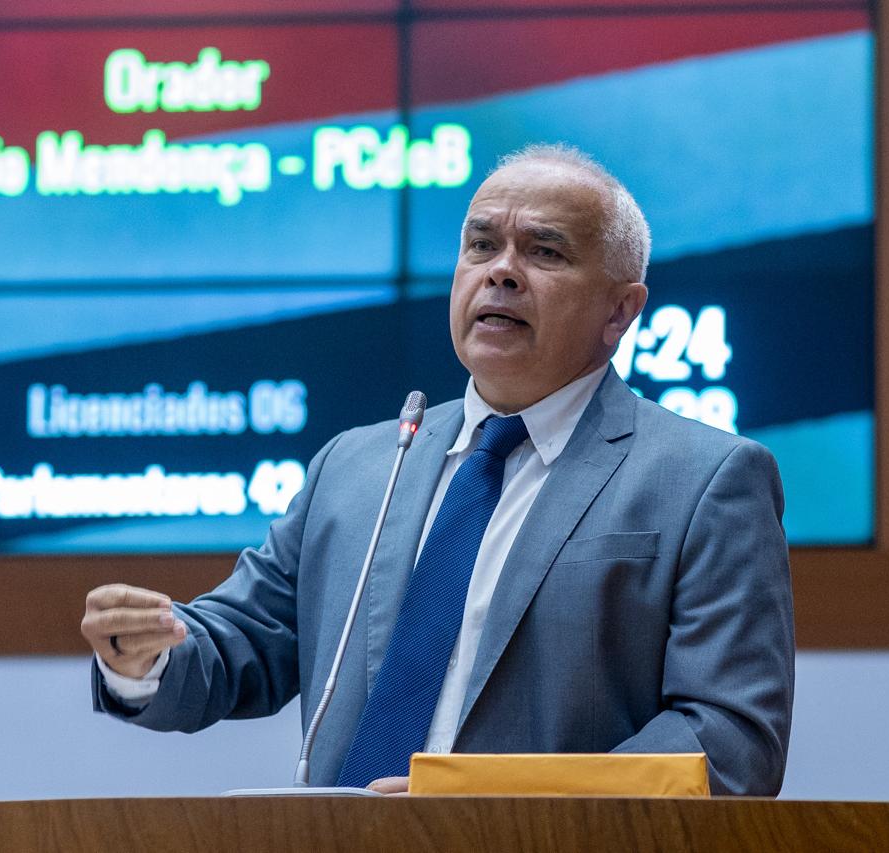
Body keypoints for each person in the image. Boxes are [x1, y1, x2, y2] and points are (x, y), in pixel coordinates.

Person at [81, 144, 795, 796]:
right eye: (481, 245)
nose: (502, 271)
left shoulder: (706, 480)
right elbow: (237, 648)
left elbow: (727, 741)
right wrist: (144, 654)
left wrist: (490, 806)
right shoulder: (360, 465)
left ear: (620, 311)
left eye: (544, 251)